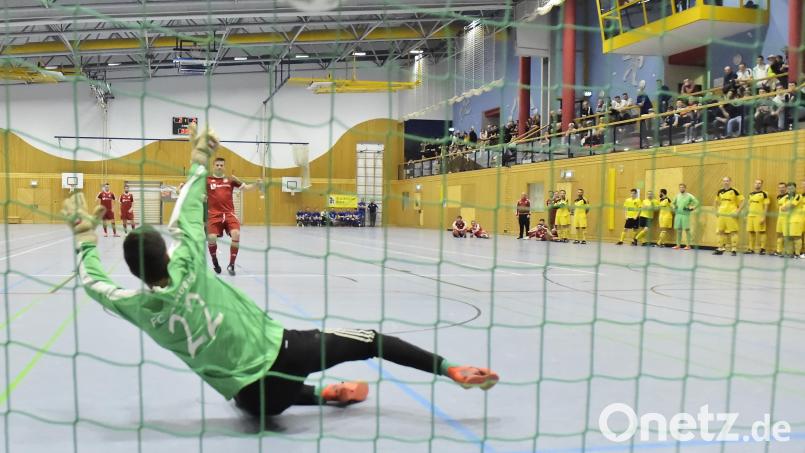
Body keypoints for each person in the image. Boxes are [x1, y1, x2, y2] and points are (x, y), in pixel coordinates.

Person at [60, 124, 499, 420]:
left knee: (253, 393)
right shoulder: (190, 261)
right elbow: (188, 209)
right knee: (372, 341)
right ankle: (452, 370)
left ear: (136, 274)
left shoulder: (138, 307)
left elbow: (95, 285)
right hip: (286, 354)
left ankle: (322, 395)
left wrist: (83, 238)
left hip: (255, 404)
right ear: (169, 255)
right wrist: (198, 157)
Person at [206, 157, 261, 276]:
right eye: (217, 165)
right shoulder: (207, 180)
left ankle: (231, 264)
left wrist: (256, 184)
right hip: (214, 215)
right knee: (211, 238)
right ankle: (215, 261)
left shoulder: (231, 179)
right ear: (213, 166)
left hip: (229, 214)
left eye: (221, 165)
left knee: (236, 234)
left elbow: (246, 188)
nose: (219, 167)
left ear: (224, 167)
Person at [713, 177, 744, 256]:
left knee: (733, 232)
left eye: (727, 181)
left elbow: (743, 201)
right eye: (724, 181)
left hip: (731, 214)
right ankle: (720, 248)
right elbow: (716, 201)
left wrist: (737, 211)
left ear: (730, 182)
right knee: (720, 232)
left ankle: (734, 249)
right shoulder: (719, 191)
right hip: (722, 214)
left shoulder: (734, 190)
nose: (725, 182)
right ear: (722, 182)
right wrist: (716, 211)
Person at [745, 179, 770, 254]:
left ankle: (763, 249)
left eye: (759, 183)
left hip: (759, 216)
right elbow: (748, 205)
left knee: (762, 232)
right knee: (751, 232)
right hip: (750, 216)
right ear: (754, 184)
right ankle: (751, 249)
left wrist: (764, 217)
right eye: (756, 183)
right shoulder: (750, 194)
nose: (757, 184)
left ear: (761, 185)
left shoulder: (764, 193)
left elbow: (766, 206)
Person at [672, 183, 699, 250]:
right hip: (678, 215)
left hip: (685, 215)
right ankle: (678, 245)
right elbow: (672, 203)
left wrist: (692, 208)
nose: (681, 188)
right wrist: (674, 207)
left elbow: (697, 202)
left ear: (685, 188)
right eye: (680, 187)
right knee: (678, 230)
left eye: (682, 187)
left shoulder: (689, 196)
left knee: (687, 230)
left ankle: (688, 245)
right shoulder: (677, 196)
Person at [780, 182, 802, 258]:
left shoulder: (798, 196)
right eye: (789, 188)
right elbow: (781, 207)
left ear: (795, 188)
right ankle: (789, 253)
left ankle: (797, 254)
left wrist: (785, 207)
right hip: (787, 219)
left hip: (795, 219)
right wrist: (785, 207)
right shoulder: (786, 197)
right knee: (787, 237)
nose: (790, 190)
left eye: (792, 188)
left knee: (796, 237)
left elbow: (792, 206)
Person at [773, 182, 788, 256]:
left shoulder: (790, 196)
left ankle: (787, 251)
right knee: (779, 234)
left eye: (783, 187)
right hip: (780, 217)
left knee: (786, 235)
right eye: (780, 187)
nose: (781, 189)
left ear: (786, 188)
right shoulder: (778, 196)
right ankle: (779, 250)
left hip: (787, 218)